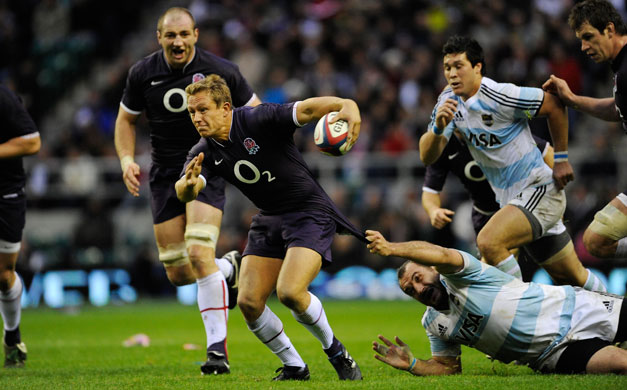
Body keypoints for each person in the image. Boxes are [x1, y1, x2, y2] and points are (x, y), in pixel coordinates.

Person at [175, 74, 363, 381]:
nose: (197, 118)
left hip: (309, 212)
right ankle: (295, 367)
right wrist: (189, 185)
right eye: (192, 112)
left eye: (203, 109)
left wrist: (347, 105)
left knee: (290, 292)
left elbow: (308, 110)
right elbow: (184, 191)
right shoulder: (203, 151)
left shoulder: (258, 119)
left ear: (225, 108)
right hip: (269, 217)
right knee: (248, 302)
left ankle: (337, 352)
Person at [113, 7, 261, 375]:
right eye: (170, 36)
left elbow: (255, 112)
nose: (177, 42)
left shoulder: (222, 71)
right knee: (179, 273)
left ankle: (217, 353)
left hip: (207, 165)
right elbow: (125, 120)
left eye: (183, 35)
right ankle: (228, 269)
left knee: (198, 252)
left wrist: (245, 153)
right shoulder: (142, 73)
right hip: (164, 174)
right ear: (158, 37)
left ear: (195, 34)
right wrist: (126, 159)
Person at [419, 35, 606, 292]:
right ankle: (619, 311)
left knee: (488, 241)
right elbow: (426, 156)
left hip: (538, 189)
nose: (452, 74)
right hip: (511, 200)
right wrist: (439, 128)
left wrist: (561, 159)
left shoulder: (500, 95)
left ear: (477, 67)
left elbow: (553, 104)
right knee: (573, 277)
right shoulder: (448, 101)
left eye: (459, 66)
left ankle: (523, 310)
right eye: (447, 67)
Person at [365, 230, 627, 375]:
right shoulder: (433, 324)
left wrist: (392, 248)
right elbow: (447, 367)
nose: (420, 289)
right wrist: (412, 364)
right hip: (554, 355)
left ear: (434, 269)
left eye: (419, 278)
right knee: (621, 364)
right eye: (411, 290)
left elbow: (443, 253)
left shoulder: (464, 274)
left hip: (575, 309)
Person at [542, 0, 627, 260]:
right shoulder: (621, 71)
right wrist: (574, 100)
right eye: (580, 40)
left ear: (610, 29)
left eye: (589, 37)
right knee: (596, 240)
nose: (584, 47)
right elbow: (618, 109)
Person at [422, 134, 553, 235]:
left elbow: (546, 152)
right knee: (494, 264)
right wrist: (433, 210)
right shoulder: (442, 144)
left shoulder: (492, 124)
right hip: (486, 214)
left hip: (524, 206)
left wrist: (552, 192)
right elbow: (430, 191)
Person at [0, 85, 41, 367]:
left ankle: (12, 335)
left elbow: (31, 142)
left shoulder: (3, 97)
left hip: (5, 192)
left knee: (3, 276)